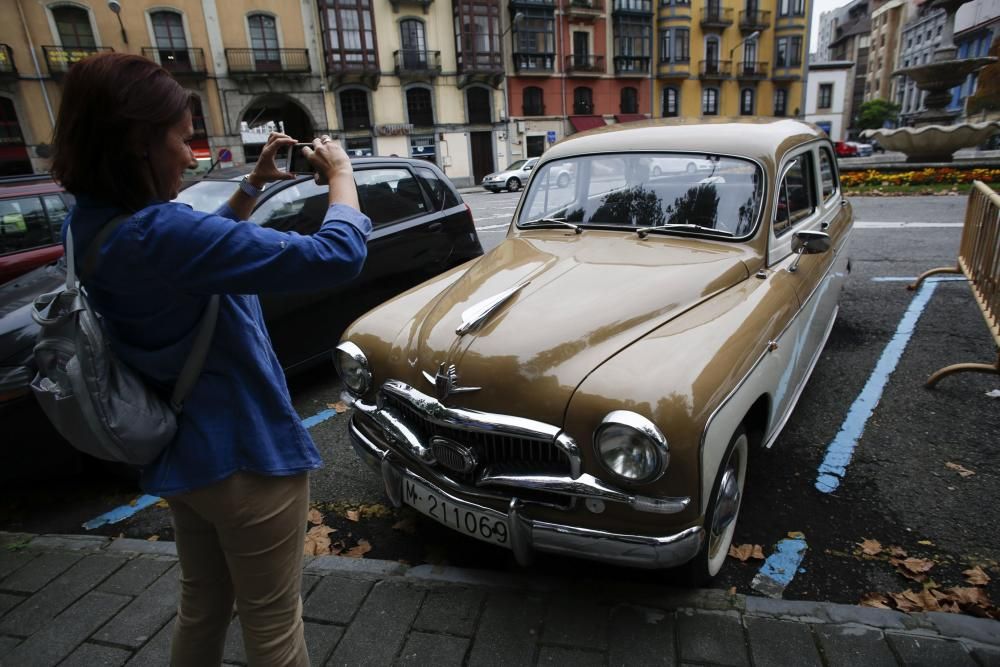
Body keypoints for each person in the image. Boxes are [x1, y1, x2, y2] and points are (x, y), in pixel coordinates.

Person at [49, 52, 371, 666]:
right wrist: (341, 173)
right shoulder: (159, 232)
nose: (192, 155)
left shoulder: (91, 225)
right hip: (245, 458)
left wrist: (250, 188)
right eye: (180, 137)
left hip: (184, 457)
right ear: (140, 144)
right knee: (275, 630)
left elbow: (190, 257)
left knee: (202, 605)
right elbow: (337, 255)